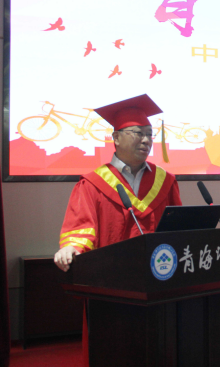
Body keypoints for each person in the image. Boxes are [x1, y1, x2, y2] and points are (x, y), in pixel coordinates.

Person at [54, 94, 182, 272]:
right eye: (138, 133)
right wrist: (72, 247)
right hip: (111, 274)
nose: (146, 140)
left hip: (159, 272)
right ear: (116, 138)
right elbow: (80, 228)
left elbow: (177, 229)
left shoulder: (165, 181)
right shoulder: (92, 184)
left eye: (149, 134)